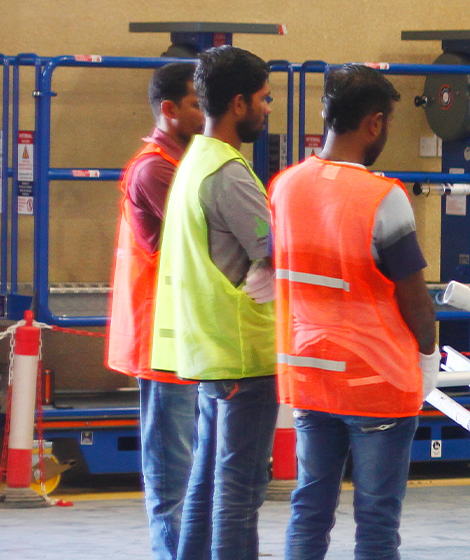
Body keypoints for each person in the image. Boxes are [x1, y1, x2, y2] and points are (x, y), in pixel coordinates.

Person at [270, 64, 438, 560]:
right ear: (374, 124)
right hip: (376, 383)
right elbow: (416, 302)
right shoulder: (383, 199)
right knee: (377, 521)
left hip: (308, 375)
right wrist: (428, 359)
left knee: (310, 507)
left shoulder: (284, 186)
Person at [151, 45, 277, 560]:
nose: (270, 109)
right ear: (240, 103)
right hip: (241, 352)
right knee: (239, 489)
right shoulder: (228, 173)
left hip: (209, 351)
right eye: (266, 99)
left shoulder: (192, 163)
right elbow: (275, 251)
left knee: (206, 480)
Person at [106, 61, 203, 560]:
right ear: (168, 110)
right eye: (195, 104)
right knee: (171, 469)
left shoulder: (182, 162)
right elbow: (208, 241)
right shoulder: (156, 168)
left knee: (188, 463)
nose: (205, 113)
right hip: (161, 342)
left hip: (183, 339)